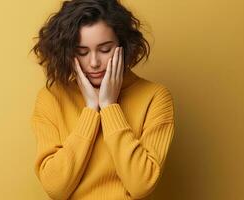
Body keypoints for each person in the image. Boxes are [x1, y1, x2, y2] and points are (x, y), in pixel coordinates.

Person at [29, 0, 175, 199]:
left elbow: (141, 185)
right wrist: (91, 110)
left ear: (123, 45)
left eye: (105, 49)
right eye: (82, 52)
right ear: (68, 52)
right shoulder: (52, 98)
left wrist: (108, 106)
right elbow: (56, 188)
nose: (94, 63)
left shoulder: (154, 97)